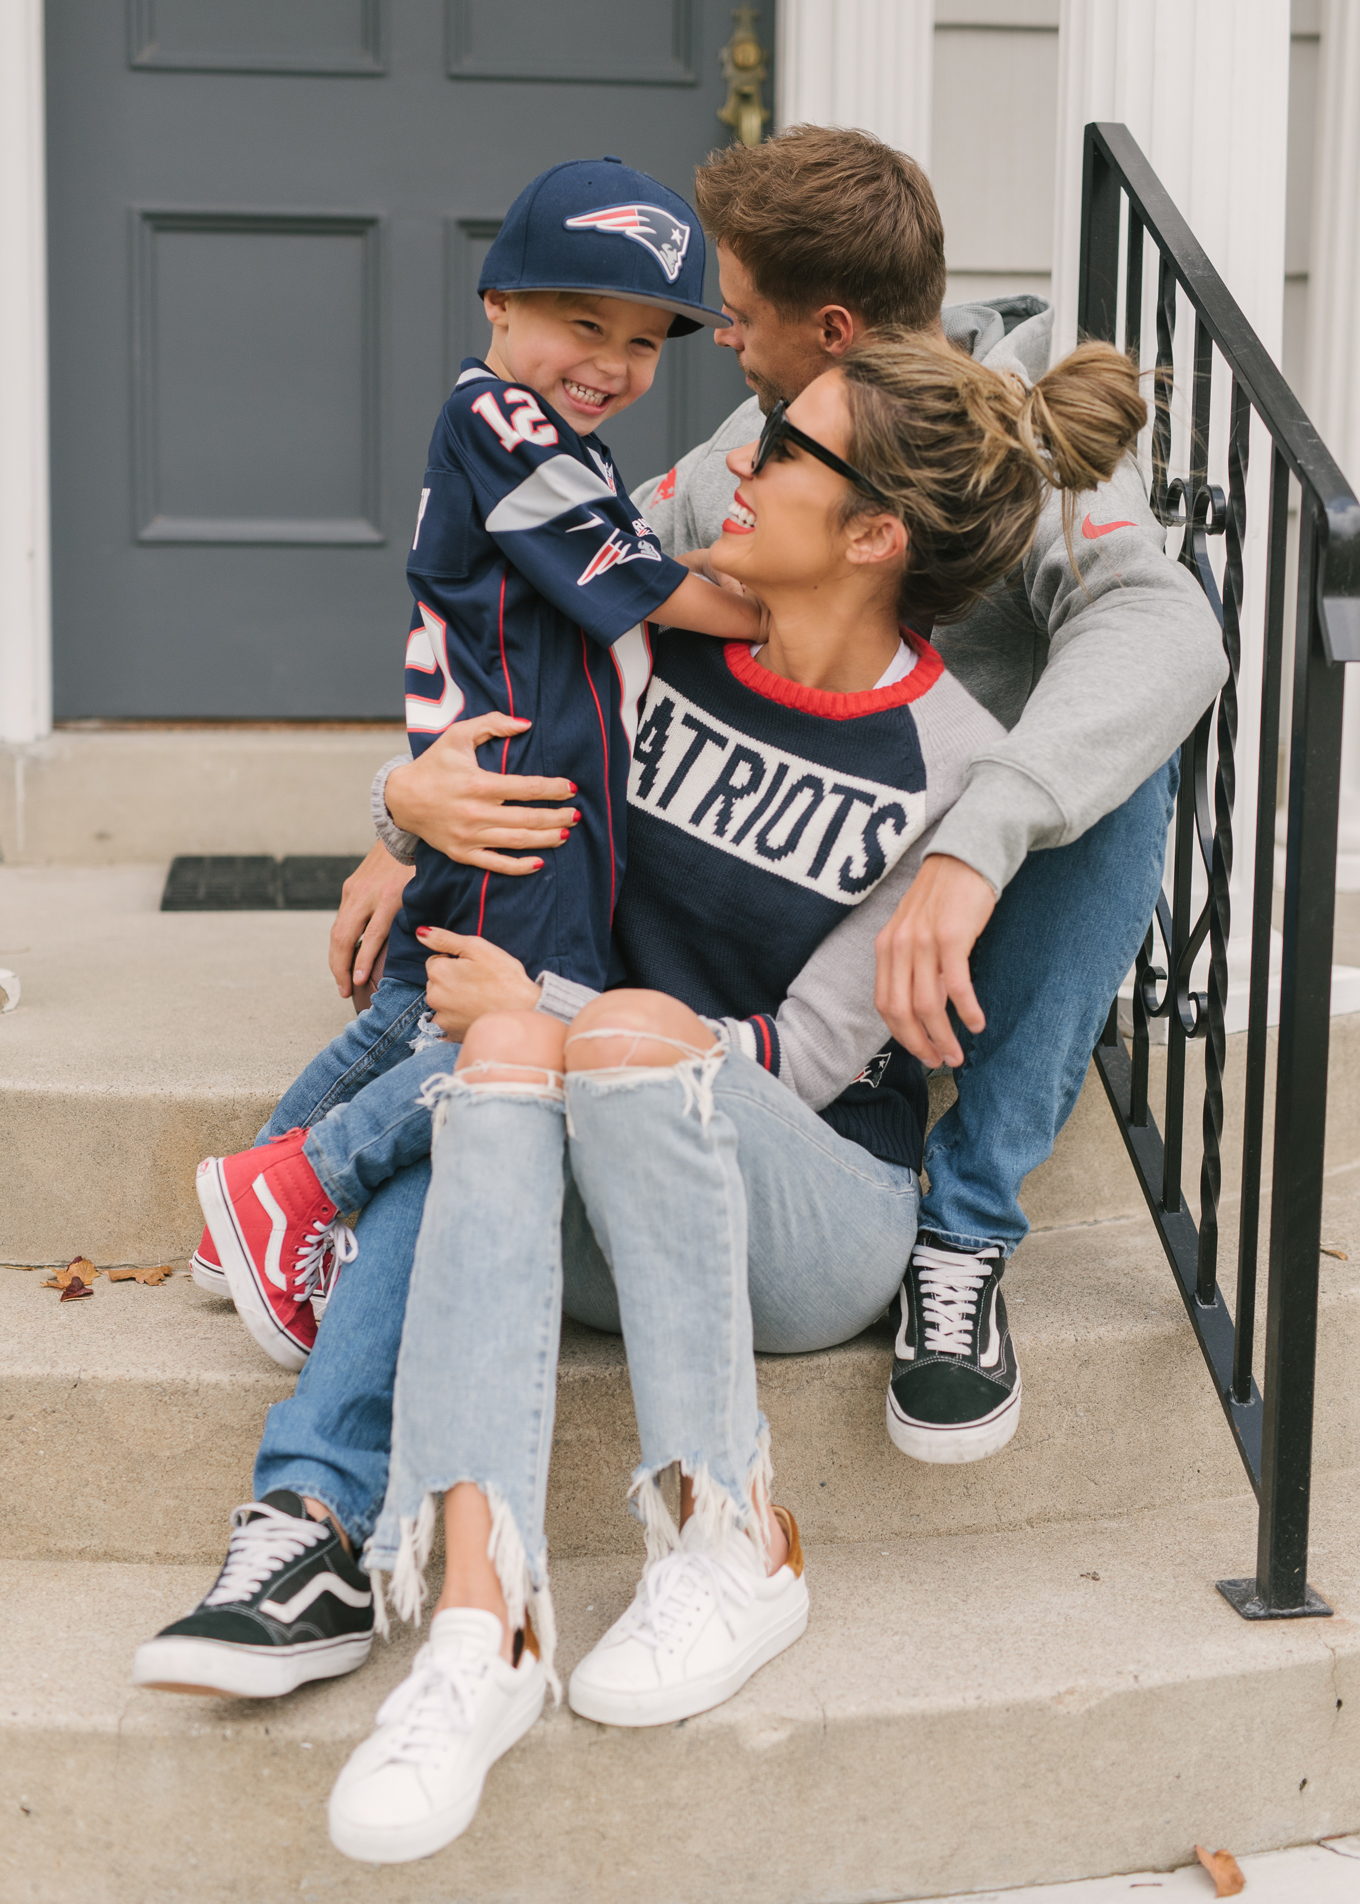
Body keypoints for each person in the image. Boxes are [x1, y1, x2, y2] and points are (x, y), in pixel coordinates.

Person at [317, 333, 1152, 1864]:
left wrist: (558, 1010)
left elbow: (810, 1056)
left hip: (805, 1213)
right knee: (502, 1058)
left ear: (874, 534)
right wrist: (399, 806)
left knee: (600, 1030)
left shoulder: (957, 765)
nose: (733, 464)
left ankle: (731, 1534)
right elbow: (485, 736)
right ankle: (476, 1631)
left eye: (780, 443)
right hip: (581, 1150)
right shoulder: (651, 637)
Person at [348, 124, 1228, 1464]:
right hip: (767, 920)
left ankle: (968, 1227)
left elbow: (1171, 633)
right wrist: (402, 812)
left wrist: (977, 839)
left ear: (826, 330)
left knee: (1120, 757)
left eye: (740, 317)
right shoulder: (752, 463)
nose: (719, 345)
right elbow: (552, 592)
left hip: (946, 870)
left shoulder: (1018, 433)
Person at [192, 156, 760, 1372]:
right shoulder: (496, 420)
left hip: (520, 786)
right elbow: (635, 583)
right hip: (520, 791)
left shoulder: (548, 435)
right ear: (498, 303)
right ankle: (296, 1181)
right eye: (581, 321)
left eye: (646, 339)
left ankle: (245, 1194)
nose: (612, 361)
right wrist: (784, 607)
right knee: (507, 1024)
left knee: (414, 1003)